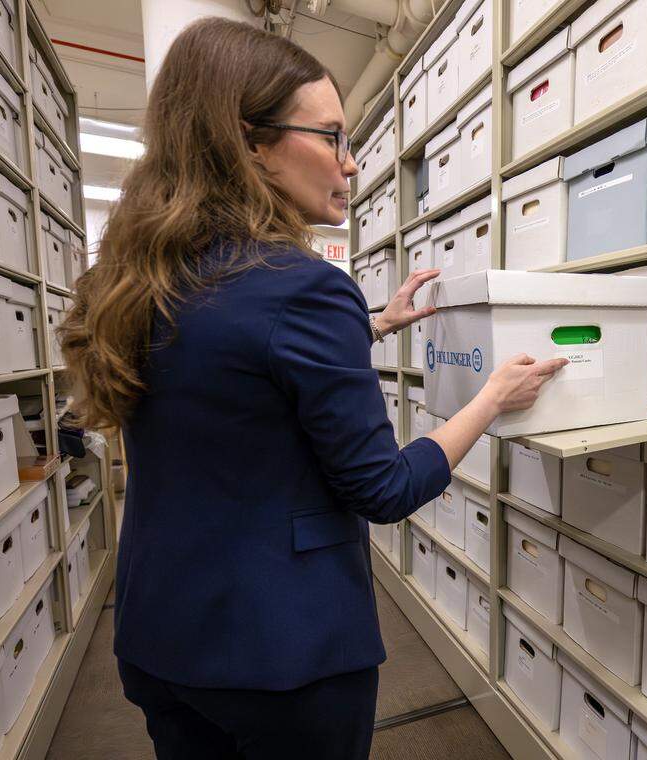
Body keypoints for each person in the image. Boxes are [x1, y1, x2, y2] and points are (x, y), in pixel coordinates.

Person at [59, 16, 566, 760]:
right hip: (282, 657)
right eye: (332, 137)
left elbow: (231, 368)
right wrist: (490, 399)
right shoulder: (304, 290)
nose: (351, 164)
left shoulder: (139, 278)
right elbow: (384, 490)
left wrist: (374, 323)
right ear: (252, 144)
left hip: (159, 636)